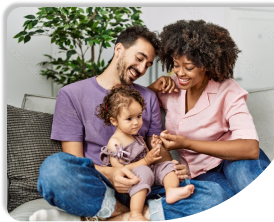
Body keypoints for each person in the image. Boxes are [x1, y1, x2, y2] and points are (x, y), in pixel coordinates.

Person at [29, 24, 229, 222]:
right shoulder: (72, 94)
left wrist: (173, 168)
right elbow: (74, 160)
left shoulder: (148, 97)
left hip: (145, 181)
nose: (142, 69)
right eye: (140, 58)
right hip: (101, 184)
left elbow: (156, 149)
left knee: (215, 194)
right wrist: (113, 173)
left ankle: (114, 218)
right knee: (54, 170)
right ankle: (132, 214)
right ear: (119, 50)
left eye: (148, 65)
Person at [148, 20, 272, 198]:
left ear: (205, 64)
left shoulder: (227, 90)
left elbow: (250, 148)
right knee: (220, 197)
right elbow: (133, 106)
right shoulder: (170, 89)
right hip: (202, 172)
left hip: (235, 160)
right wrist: (152, 88)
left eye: (188, 67)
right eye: (176, 64)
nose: (180, 73)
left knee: (247, 180)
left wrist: (187, 143)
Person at [97, 86, 194, 222]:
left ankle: (171, 190)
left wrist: (155, 148)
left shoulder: (137, 136)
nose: (136, 122)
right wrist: (146, 161)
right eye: (129, 119)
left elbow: (148, 158)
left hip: (147, 176)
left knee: (167, 165)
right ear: (114, 121)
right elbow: (119, 170)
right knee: (143, 170)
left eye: (139, 116)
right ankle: (135, 214)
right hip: (130, 186)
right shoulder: (114, 142)